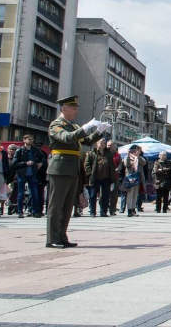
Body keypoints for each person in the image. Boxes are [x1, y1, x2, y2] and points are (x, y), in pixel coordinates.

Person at [46, 95, 108, 248]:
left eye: (76, 108)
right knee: (56, 204)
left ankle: (62, 236)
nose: (75, 111)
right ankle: (52, 238)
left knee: (67, 206)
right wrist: (85, 128)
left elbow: (86, 141)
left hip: (73, 167)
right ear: (63, 108)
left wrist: (99, 131)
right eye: (73, 108)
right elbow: (67, 138)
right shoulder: (56, 125)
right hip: (60, 168)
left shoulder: (73, 126)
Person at [12, 135, 44, 218]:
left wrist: (40, 163)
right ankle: (20, 211)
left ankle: (34, 211)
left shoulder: (35, 150)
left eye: (32, 139)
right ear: (24, 140)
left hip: (32, 173)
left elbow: (42, 157)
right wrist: (25, 163)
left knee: (34, 193)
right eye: (29, 139)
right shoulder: (20, 150)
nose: (30, 141)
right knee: (21, 193)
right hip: (22, 174)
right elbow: (14, 163)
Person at [84, 139, 116, 217]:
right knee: (93, 195)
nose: (103, 144)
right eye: (101, 143)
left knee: (105, 196)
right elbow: (86, 164)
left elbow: (112, 166)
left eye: (104, 143)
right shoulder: (92, 153)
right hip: (95, 177)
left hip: (106, 178)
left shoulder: (109, 154)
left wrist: (112, 177)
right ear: (97, 144)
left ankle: (103, 212)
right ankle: (92, 212)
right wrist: (90, 174)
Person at [117, 146, 143, 217]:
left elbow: (144, 162)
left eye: (138, 151)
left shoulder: (139, 158)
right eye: (136, 151)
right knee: (130, 195)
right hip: (130, 178)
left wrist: (138, 157)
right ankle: (129, 210)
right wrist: (128, 155)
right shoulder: (127, 157)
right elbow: (126, 164)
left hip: (137, 178)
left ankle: (133, 209)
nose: (137, 152)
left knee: (135, 195)